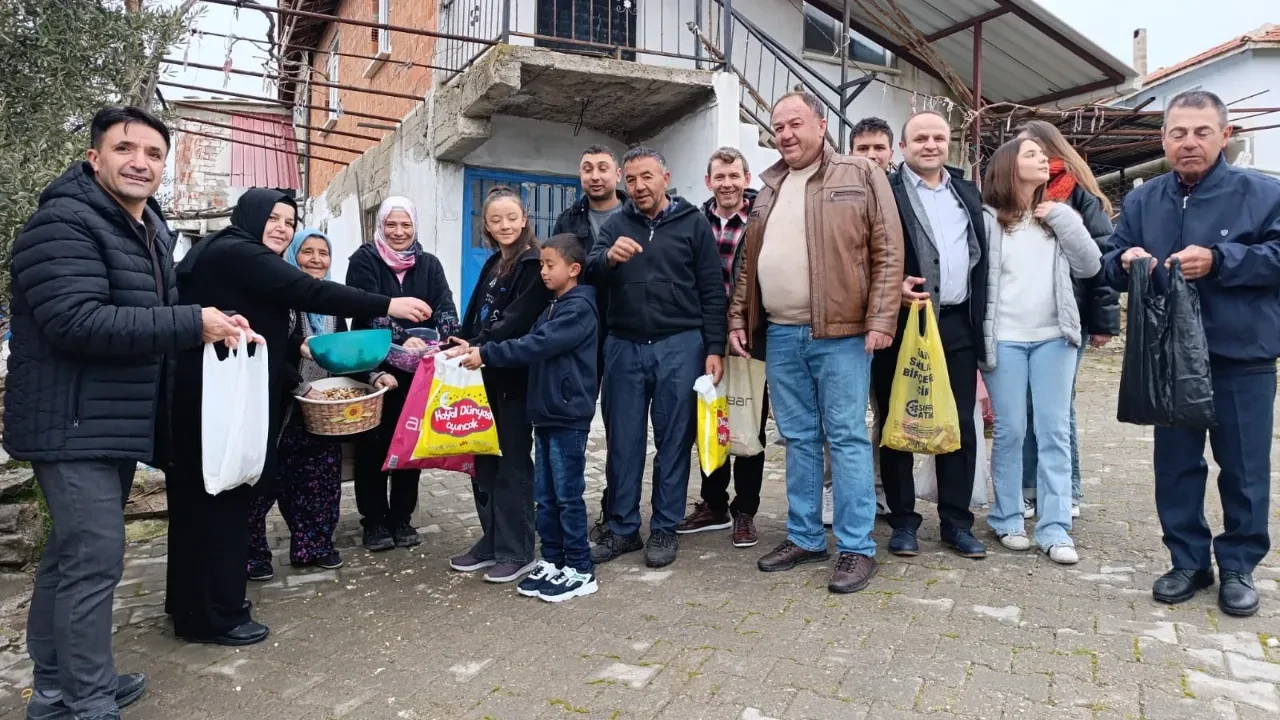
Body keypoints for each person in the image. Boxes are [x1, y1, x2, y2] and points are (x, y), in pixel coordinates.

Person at [6, 106, 248, 720]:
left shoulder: (144, 227)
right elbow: (77, 320)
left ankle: (57, 688)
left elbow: (152, 311)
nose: (140, 162)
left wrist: (215, 321)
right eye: (124, 149)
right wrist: (191, 323)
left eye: (154, 154)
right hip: (70, 423)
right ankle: (87, 700)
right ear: (95, 158)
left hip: (106, 422)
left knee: (72, 557)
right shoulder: (63, 224)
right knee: (94, 561)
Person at [166, 189, 429, 646]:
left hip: (221, 395)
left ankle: (193, 606)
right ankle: (215, 616)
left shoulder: (234, 253)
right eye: (273, 218)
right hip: (219, 400)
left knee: (206, 502)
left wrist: (298, 346)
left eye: (289, 221)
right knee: (222, 501)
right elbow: (311, 290)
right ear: (250, 217)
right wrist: (387, 304)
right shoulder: (238, 250)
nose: (282, 228)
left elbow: (268, 321)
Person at [1101, 90, 1280, 617]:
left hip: (1240, 354)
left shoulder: (1263, 193)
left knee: (1244, 468)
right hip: (1167, 356)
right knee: (1175, 466)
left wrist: (1220, 260)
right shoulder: (1143, 200)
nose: (1189, 142)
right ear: (1164, 140)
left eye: (1202, 132)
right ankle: (1188, 561)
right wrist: (1124, 260)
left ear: (1225, 135)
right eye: (1178, 133)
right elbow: (1110, 261)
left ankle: (1239, 566)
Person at [728, 92, 904, 594]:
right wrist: (739, 315)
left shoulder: (859, 172)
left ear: (821, 125)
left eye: (795, 123)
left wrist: (881, 317)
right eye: (778, 126)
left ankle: (856, 547)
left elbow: (888, 247)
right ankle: (805, 536)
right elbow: (749, 263)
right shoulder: (769, 187)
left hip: (842, 332)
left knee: (845, 437)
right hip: (781, 332)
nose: (785, 134)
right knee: (798, 438)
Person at [586, 146, 726, 569]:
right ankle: (623, 528)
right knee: (623, 442)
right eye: (631, 179)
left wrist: (714, 347)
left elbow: (712, 289)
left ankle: (665, 526)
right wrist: (607, 258)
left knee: (674, 441)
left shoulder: (693, 223)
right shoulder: (616, 224)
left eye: (647, 177)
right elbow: (588, 271)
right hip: (624, 346)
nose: (639, 186)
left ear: (666, 177)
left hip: (680, 344)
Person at [245, 228, 400, 581]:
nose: (316, 260)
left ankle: (312, 547)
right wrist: (299, 385)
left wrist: (374, 375)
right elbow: (270, 353)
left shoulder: (330, 308)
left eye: (323, 253)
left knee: (320, 480)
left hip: (322, 413)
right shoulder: (277, 300)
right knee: (263, 484)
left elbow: (343, 356)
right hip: (280, 410)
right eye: (307, 252)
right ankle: (251, 555)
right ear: (292, 256)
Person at [454, 234, 600, 602]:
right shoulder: (552, 306)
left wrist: (487, 354)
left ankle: (580, 568)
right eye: (542, 265)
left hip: (568, 416)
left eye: (550, 265)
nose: (543, 272)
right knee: (546, 496)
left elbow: (537, 345)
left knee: (567, 496)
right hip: (545, 413)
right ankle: (552, 560)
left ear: (574, 269)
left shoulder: (579, 309)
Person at [871, 110, 989, 560]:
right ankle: (903, 521)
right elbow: (864, 250)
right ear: (902, 147)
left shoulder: (966, 192)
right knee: (897, 421)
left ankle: (956, 522)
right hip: (902, 323)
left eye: (939, 137)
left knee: (958, 423)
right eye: (920, 138)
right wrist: (890, 287)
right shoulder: (885, 192)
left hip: (957, 323)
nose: (931, 145)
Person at [979, 138, 1101, 565]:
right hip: (1004, 339)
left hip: (1055, 338)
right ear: (1008, 166)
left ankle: (1055, 528)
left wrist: (1064, 219)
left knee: (1054, 431)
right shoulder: (988, 220)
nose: (1043, 160)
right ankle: (1007, 518)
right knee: (1011, 430)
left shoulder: (1058, 215)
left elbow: (1091, 265)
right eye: (1031, 154)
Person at [1016, 121, 1120, 520]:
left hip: (1070, 315)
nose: (1035, 159)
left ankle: (1067, 489)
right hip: (1026, 315)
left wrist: (1104, 322)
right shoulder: (1017, 195)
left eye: (1036, 150)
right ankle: (1030, 487)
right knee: (1028, 405)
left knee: (1057, 407)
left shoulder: (1079, 193)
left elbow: (1103, 260)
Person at [448, 187, 552, 583]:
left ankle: (517, 549)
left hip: (513, 377)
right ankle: (491, 540)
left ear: (524, 219)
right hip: (482, 375)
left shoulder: (533, 264)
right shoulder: (494, 262)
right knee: (484, 462)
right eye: (496, 220)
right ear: (487, 227)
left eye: (511, 217)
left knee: (511, 463)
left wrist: (476, 344)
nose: (505, 225)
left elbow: (517, 319)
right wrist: (459, 341)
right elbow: (475, 312)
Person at [346, 196, 459, 552]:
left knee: (410, 441)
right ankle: (374, 520)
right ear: (381, 225)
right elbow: (365, 307)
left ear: (415, 227)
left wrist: (448, 340)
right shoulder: (364, 260)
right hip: (374, 367)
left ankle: (402, 518)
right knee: (373, 444)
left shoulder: (429, 264)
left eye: (405, 224)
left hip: (418, 370)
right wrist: (400, 339)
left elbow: (444, 306)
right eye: (391, 224)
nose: (398, 232)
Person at [676, 146, 766, 548]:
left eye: (734, 176)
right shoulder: (695, 221)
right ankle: (714, 504)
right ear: (708, 181)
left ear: (746, 179)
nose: (727, 184)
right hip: (705, 334)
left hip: (751, 333)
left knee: (749, 422)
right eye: (720, 177)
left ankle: (745, 511)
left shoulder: (763, 219)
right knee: (709, 419)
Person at [552, 145, 625, 543]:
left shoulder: (634, 214)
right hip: (581, 335)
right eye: (587, 169)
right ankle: (567, 511)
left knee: (621, 428)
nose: (595, 176)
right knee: (575, 421)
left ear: (617, 174)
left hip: (626, 331)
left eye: (602, 168)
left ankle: (615, 511)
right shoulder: (569, 219)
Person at [846, 116, 899, 519]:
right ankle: (836, 487)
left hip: (890, 322)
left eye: (879, 148)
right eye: (862, 148)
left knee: (886, 410)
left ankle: (880, 486)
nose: (871, 155)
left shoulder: (902, 194)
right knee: (842, 415)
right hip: (845, 322)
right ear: (850, 152)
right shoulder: (836, 191)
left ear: (891, 152)